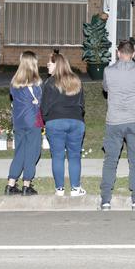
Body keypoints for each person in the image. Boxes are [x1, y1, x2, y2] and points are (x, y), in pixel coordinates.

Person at [100, 39, 135, 210]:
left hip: (114, 121)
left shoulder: (108, 71)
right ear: (134, 54)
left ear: (118, 53)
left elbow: (105, 89)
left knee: (110, 161)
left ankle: (105, 200)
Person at [41, 52, 86, 196]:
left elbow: (44, 107)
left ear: (58, 64)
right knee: (74, 156)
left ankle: (59, 189)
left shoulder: (49, 83)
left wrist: (47, 119)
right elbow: (82, 104)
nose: (48, 64)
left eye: (51, 62)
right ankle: (75, 188)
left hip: (55, 122)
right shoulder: (76, 80)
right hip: (76, 121)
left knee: (58, 156)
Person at [5, 51, 43, 196]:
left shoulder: (13, 83)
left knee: (19, 152)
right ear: (33, 63)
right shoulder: (36, 84)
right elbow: (39, 103)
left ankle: (11, 184)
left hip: (18, 122)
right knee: (32, 152)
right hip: (32, 121)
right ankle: (27, 185)